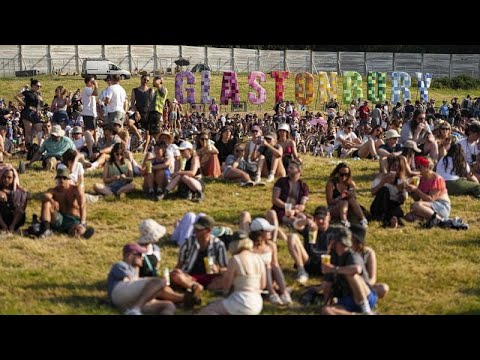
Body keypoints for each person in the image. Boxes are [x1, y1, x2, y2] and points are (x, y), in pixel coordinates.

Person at [199, 230, 266, 315]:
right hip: (257, 302)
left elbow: (226, 285)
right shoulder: (258, 259)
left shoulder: (235, 259)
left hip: (241, 301)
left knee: (207, 311)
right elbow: (263, 285)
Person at [321, 225, 377, 315]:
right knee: (326, 310)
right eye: (342, 244)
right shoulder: (332, 258)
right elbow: (328, 283)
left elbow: (357, 269)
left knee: (350, 273)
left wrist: (334, 269)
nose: (344, 247)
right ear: (335, 243)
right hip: (347, 298)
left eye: (346, 245)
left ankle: (366, 310)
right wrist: (326, 303)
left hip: (366, 295)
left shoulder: (352, 255)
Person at [107, 243, 176, 315]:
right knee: (160, 281)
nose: (142, 258)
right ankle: (135, 309)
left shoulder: (135, 270)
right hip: (118, 292)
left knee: (169, 305)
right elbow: (130, 281)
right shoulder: (120, 265)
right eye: (140, 255)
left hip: (130, 301)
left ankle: (135, 308)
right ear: (130, 255)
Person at [170, 215, 228, 295]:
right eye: (195, 229)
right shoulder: (187, 243)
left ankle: (195, 287)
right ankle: (198, 287)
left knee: (227, 277)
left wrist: (218, 269)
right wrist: (176, 273)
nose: (195, 231)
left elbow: (225, 269)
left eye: (199, 230)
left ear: (208, 230)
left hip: (210, 277)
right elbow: (180, 264)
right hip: (189, 276)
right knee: (176, 275)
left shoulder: (219, 245)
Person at [37, 167, 94, 239]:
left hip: (73, 220)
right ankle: (45, 229)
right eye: (59, 178)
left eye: (64, 178)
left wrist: (82, 222)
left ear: (68, 179)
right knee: (47, 202)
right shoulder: (54, 190)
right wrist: (52, 201)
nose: (61, 180)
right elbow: (45, 196)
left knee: (79, 231)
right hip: (59, 218)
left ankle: (79, 231)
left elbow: (82, 206)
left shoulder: (76, 189)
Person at [287, 206, 332, 284]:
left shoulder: (334, 232)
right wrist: (307, 221)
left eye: (323, 218)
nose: (320, 221)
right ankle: (302, 271)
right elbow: (296, 225)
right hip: (308, 260)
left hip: (324, 264)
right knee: (292, 237)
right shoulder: (311, 228)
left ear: (328, 218)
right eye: (318, 218)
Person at [405, 156, 451, 227]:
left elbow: (431, 199)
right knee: (409, 216)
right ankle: (431, 220)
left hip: (441, 206)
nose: (418, 168)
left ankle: (440, 221)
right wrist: (411, 190)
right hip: (430, 206)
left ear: (427, 167)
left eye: (420, 167)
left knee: (416, 206)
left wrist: (416, 189)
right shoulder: (422, 178)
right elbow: (417, 198)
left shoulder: (437, 179)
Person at [350, 224, 389, 299]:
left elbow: (372, 278)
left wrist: (364, 285)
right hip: (348, 282)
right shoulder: (344, 250)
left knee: (383, 288)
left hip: (365, 284)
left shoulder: (368, 253)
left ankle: (361, 295)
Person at [326, 162, 368, 228]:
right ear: (337, 173)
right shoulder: (331, 184)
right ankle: (344, 221)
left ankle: (363, 219)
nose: (344, 177)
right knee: (344, 202)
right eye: (341, 174)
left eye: (346, 174)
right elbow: (329, 201)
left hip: (348, 207)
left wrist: (350, 194)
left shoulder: (351, 183)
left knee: (351, 199)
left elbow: (354, 197)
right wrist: (340, 198)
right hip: (334, 208)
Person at [271, 160, 309, 226]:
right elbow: (275, 200)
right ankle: (295, 223)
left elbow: (302, 205)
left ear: (299, 170)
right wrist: (289, 207)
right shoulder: (281, 181)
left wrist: (294, 210)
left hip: (295, 210)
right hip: (281, 209)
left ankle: (300, 223)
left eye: (291, 168)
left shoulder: (304, 186)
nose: (288, 169)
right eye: (288, 167)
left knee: (303, 217)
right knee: (288, 218)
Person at [0, 165, 28, 233]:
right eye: (4, 177)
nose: (6, 179)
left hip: (15, 219)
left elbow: (22, 209)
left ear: (13, 179)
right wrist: (3, 225)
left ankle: (12, 227)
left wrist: (13, 225)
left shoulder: (19, 191)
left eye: (9, 177)